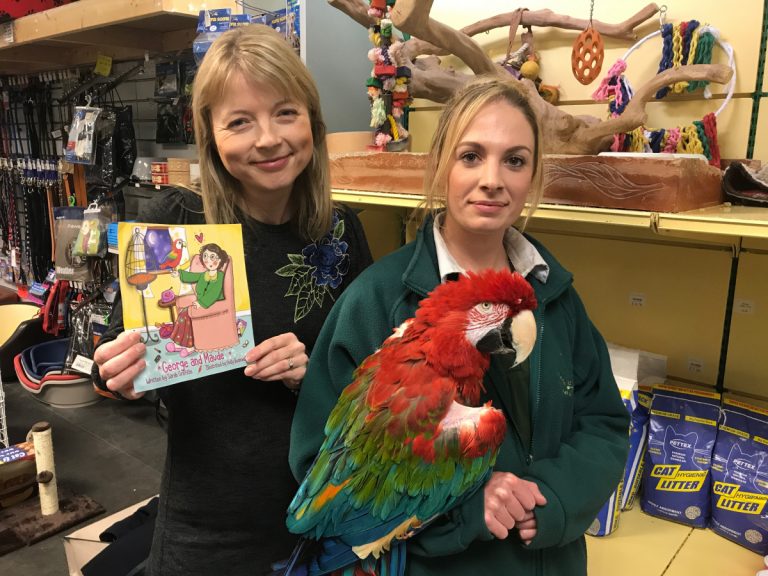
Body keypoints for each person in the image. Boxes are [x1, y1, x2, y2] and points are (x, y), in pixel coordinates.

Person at [289, 75, 629, 575]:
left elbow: (604, 422)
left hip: (549, 559)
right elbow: (318, 460)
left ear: (532, 176)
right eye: (471, 156)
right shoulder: (377, 301)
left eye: (515, 160)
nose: (492, 178)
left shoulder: (554, 295)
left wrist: (552, 499)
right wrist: (465, 506)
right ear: (441, 166)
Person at [92, 24, 373, 576]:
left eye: (285, 112)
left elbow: (368, 384)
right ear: (211, 136)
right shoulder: (174, 224)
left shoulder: (341, 234)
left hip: (323, 522)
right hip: (206, 533)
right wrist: (114, 374)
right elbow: (109, 359)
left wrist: (309, 374)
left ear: (312, 120)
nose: (267, 139)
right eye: (240, 121)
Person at [167, 243, 229, 351]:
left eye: (212, 257)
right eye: (205, 256)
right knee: (184, 313)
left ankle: (187, 345)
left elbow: (214, 293)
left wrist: (201, 303)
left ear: (219, 260)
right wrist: (179, 274)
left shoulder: (220, 276)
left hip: (213, 303)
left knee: (186, 313)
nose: (207, 260)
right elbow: (192, 276)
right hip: (201, 302)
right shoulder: (204, 274)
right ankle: (182, 343)